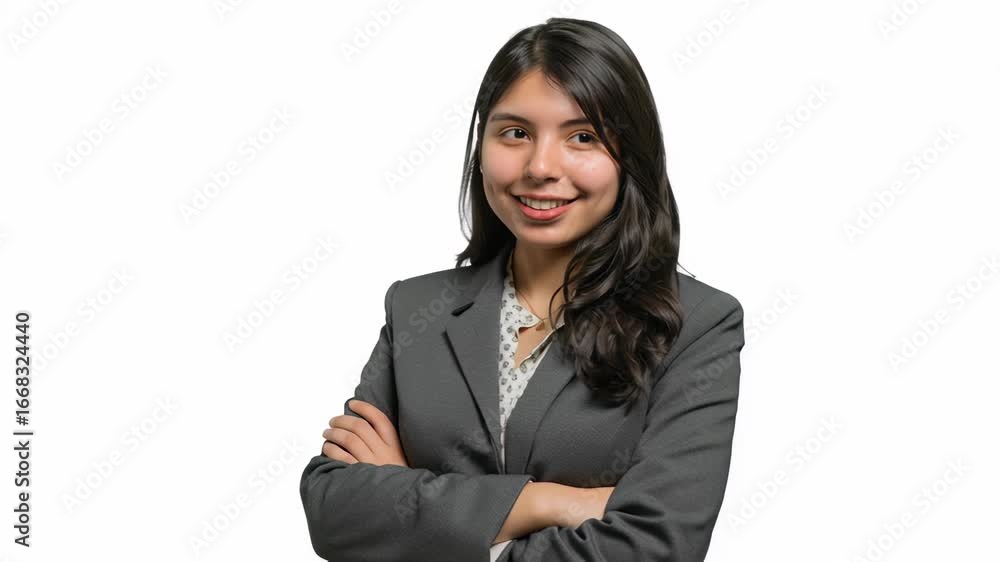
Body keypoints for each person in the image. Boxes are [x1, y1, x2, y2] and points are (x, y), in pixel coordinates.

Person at [300, 17, 745, 561]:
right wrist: (552, 502)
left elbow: (657, 546)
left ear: (631, 155)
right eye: (515, 133)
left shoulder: (697, 324)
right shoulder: (416, 308)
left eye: (583, 137)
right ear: (481, 146)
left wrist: (410, 506)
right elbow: (334, 510)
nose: (540, 167)